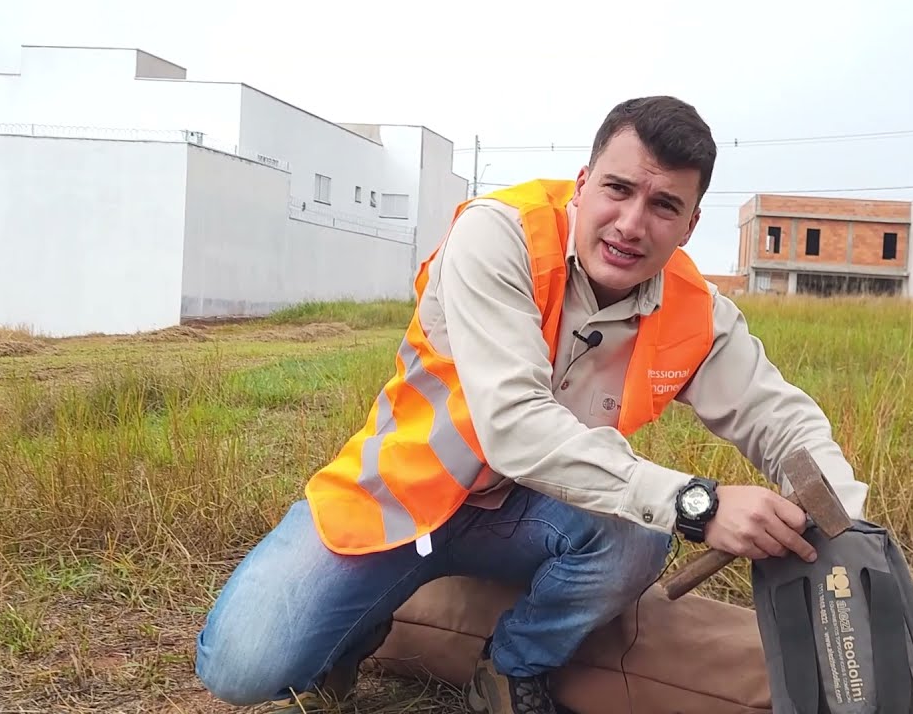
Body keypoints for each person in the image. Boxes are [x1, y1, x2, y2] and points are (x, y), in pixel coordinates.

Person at [193, 95, 868, 714]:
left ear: (690, 224)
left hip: (527, 513)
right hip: (399, 500)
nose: (631, 224)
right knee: (242, 669)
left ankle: (512, 668)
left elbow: (779, 417)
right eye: (619, 189)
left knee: (637, 533)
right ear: (582, 184)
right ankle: (364, 616)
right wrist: (704, 504)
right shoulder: (500, 236)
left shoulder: (698, 313)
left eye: (664, 206)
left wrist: (844, 516)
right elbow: (514, 424)